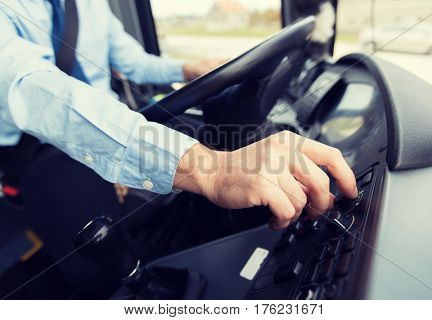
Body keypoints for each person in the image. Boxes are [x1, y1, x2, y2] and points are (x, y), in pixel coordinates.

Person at [0, 0, 357, 297]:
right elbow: (33, 88)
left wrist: (189, 68)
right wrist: (208, 168)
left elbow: (134, 62)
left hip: (111, 119)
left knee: (206, 142)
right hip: (40, 149)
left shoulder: (90, 4)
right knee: (83, 226)